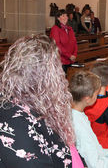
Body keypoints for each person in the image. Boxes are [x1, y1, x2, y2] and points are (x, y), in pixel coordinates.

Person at [0, 35, 83, 167]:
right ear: (44, 76)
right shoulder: (16, 123)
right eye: (57, 68)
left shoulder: (37, 100)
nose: (61, 75)